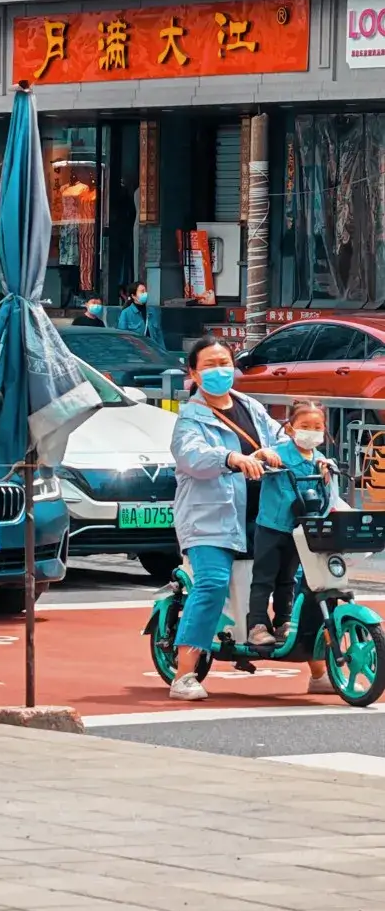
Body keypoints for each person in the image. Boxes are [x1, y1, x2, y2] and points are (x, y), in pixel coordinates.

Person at [169, 336, 283, 703]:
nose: (220, 371)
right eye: (210, 365)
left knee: (294, 579)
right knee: (212, 585)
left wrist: (310, 455)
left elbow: (283, 440)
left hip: (263, 515)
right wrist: (230, 459)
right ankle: (184, 674)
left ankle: (317, 668)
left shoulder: (252, 406)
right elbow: (191, 457)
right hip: (210, 520)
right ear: (193, 374)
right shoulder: (190, 417)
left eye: (224, 363)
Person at [247, 398, 335, 692]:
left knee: (290, 579)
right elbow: (258, 457)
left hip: (302, 531)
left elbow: (328, 479)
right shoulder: (280, 453)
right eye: (304, 426)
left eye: (317, 427)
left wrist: (327, 466)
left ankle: (284, 621)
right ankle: (257, 625)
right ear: (290, 428)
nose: (311, 432)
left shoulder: (319, 459)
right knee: (265, 578)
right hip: (273, 527)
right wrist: (264, 454)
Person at [118, 281, 164, 347]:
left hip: (153, 352)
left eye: (145, 291)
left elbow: (159, 336)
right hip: (136, 353)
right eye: (142, 291)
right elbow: (122, 336)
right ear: (133, 296)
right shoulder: (126, 313)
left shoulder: (152, 312)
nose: (145, 294)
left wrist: (163, 352)